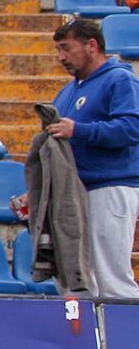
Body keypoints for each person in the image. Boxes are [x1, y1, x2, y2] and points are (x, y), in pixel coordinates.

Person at [44, 18, 139, 300]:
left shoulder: (120, 79)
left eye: (66, 48)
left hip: (110, 185)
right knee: (77, 277)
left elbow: (131, 129)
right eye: (58, 50)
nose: (61, 57)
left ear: (92, 45)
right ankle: (87, 343)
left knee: (110, 276)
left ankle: (127, 341)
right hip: (73, 191)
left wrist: (79, 130)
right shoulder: (69, 91)